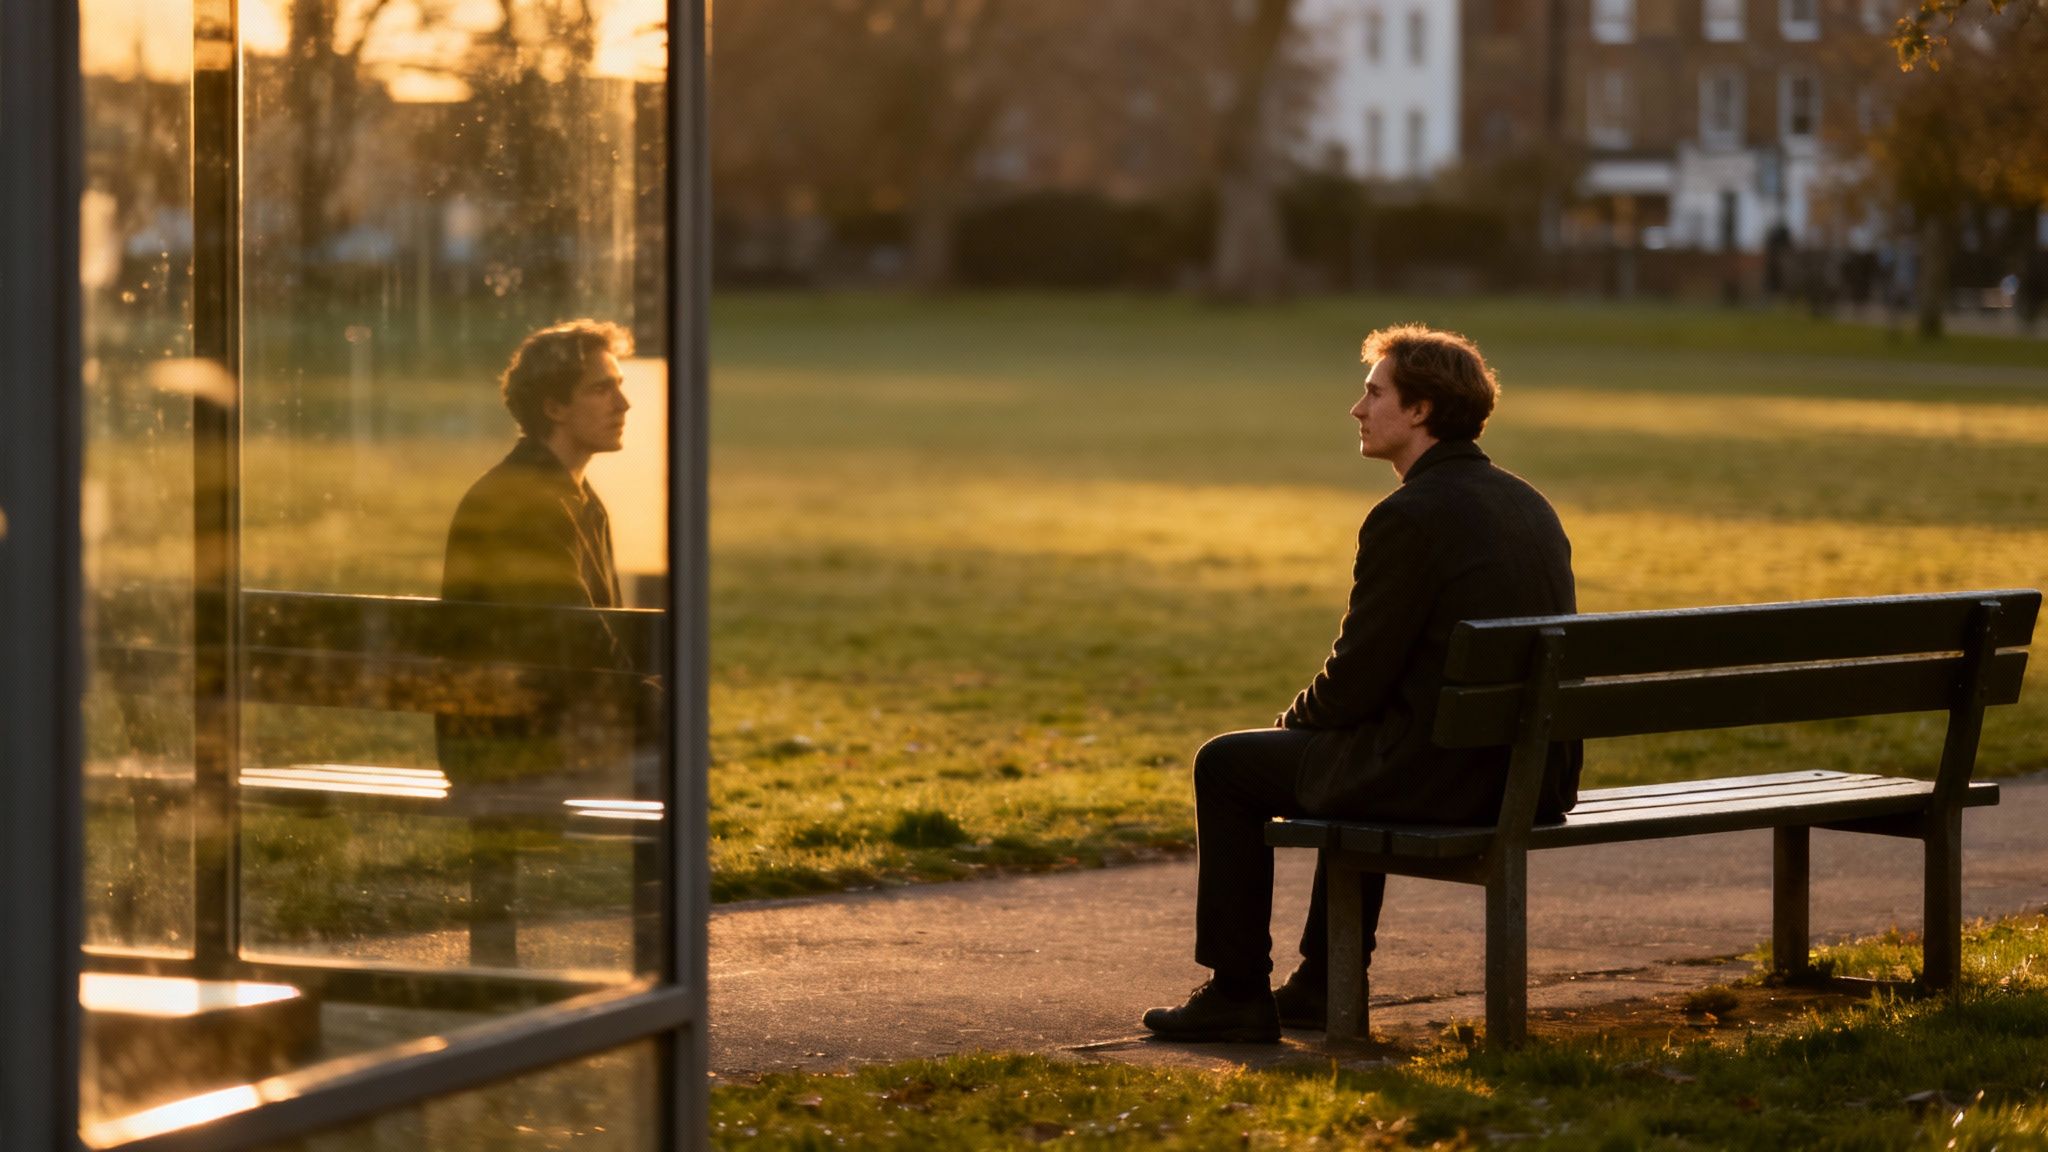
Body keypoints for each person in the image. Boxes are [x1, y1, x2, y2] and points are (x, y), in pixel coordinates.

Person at [1142, 324, 1580, 1043]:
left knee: (1226, 764)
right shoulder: (1527, 501)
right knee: (1354, 748)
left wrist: (1291, 724)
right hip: (1531, 777)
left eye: (1374, 392)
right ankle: (1320, 982)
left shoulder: (1408, 517)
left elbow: (1353, 681)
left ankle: (1237, 992)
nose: (1357, 408)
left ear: (1420, 411)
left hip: (1450, 779)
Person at [438, 319, 636, 964]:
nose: (623, 403)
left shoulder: (573, 496)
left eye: (619, 386)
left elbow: (591, 643)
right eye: (602, 389)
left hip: (515, 728)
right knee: (679, 763)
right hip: (512, 742)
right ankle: (654, 969)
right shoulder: (530, 503)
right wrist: (663, 708)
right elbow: (574, 646)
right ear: (553, 406)